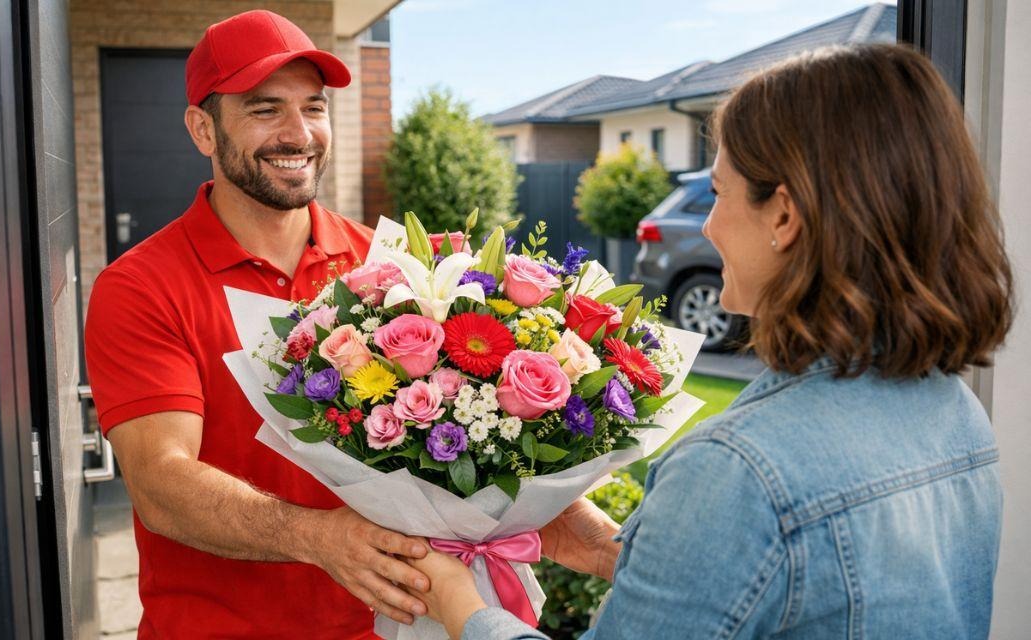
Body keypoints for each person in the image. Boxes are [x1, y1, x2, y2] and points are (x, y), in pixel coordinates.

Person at [404, 43, 1014, 640]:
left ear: (784, 216)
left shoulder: (738, 470)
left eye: (718, 194)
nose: (707, 224)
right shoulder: (954, 413)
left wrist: (460, 605)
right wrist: (621, 554)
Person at [84, 10, 430, 639]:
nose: (299, 133)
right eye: (265, 109)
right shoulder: (140, 287)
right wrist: (318, 538)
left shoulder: (386, 264)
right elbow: (161, 483)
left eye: (314, 107)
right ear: (203, 130)